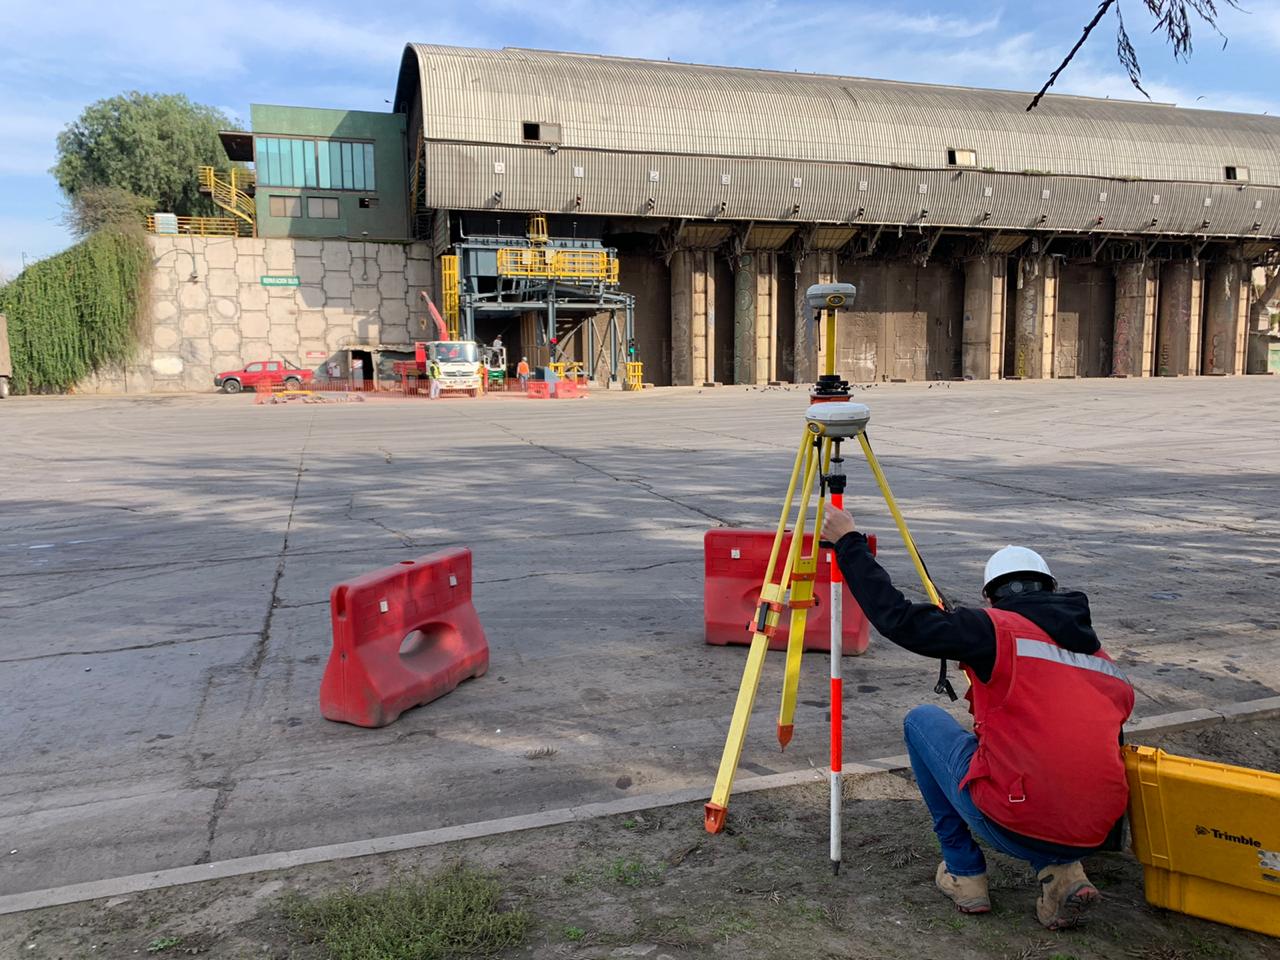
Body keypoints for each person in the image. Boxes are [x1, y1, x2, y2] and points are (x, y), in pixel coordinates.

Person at [821, 504, 1134, 930]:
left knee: (922, 722)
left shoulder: (994, 629)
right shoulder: (1103, 662)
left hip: (1015, 820)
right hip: (1097, 827)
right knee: (1051, 761)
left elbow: (899, 619)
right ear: (1053, 590)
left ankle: (964, 873)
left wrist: (848, 543)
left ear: (990, 597)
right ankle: (1063, 874)